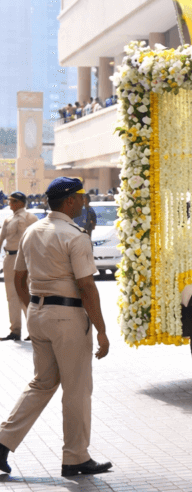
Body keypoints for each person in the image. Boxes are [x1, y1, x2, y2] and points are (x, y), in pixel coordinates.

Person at [0, 177, 112, 476]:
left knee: (42, 383)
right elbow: (87, 287)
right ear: (70, 201)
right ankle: (75, 457)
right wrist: (101, 330)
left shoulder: (32, 231)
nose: (84, 200)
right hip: (68, 318)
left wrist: (33, 309)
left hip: (38, 313)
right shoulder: (75, 236)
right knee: (76, 388)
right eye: (80, 196)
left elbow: (18, 280)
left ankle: (1, 443)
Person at [0, 192, 38, 341]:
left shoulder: (30, 218)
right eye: (9, 201)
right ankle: (15, 330)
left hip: (24, 259)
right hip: (10, 258)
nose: (10, 204)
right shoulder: (8, 219)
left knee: (25, 294)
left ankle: (33, 330)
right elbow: (1, 238)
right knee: (11, 296)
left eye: (13, 201)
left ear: (21, 203)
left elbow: (36, 239)